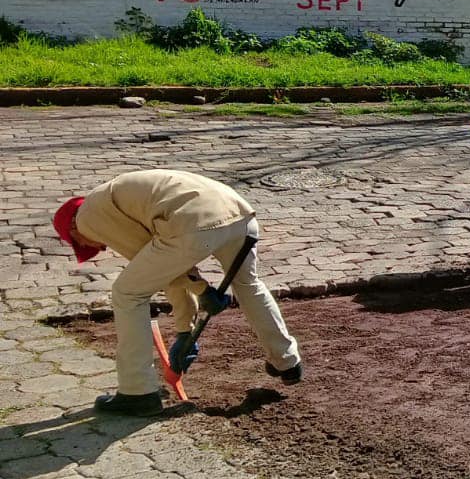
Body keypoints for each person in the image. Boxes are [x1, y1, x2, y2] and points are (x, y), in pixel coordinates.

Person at [52, 170, 302, 417]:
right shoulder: (116, 196)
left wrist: (200, 292)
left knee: (127, 294)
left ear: (74, 230)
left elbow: (153, 261)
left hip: (194, 225)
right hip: (241, 216)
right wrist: (185, 328)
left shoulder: (88, 217)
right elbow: (166, 267)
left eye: (82, 245)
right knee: (248, 284)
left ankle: (137, 392)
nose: (101, 248)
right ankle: (287, 362)